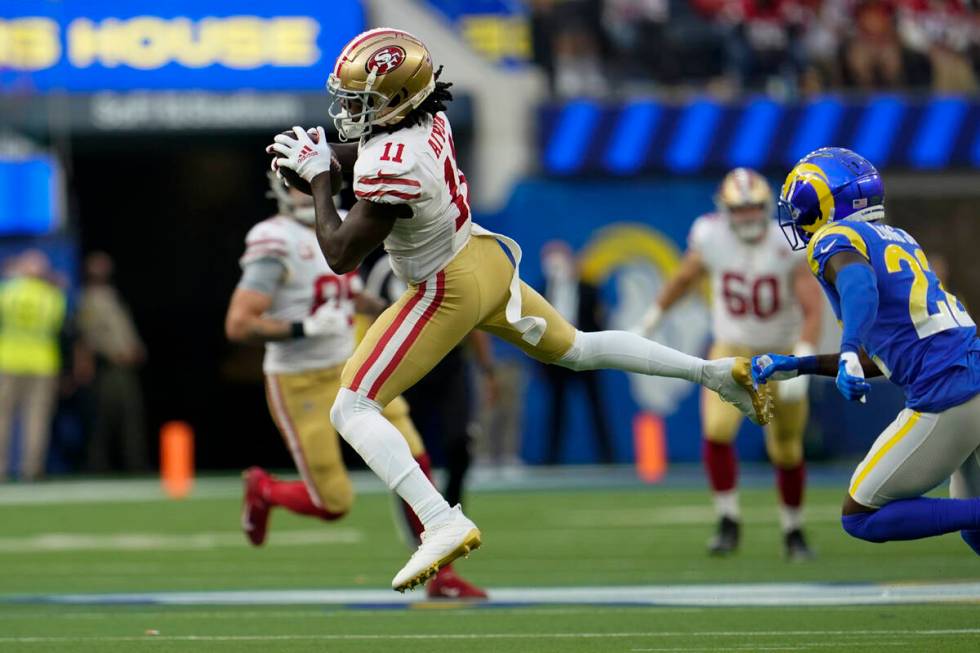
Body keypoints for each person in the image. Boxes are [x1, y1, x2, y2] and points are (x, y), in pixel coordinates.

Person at [266, 27, 771, 592]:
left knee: (352, 406)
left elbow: (339, 252)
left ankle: (439, 521)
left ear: (399, 98)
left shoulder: (393, 164)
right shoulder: (428, 119)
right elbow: (372, 150)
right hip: (482, 259)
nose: (352, 110)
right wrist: (322, 160)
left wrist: (315, 181)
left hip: (443, 288)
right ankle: (716, 374)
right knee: (578, 348)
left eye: (365, 100)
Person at [224, 175, 485, 599]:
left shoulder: (342, 222)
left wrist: (386, 307)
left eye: (313, 183)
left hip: (351, 368)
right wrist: (300, 327)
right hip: (299, 381)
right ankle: (266, 489)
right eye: (297, 185)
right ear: (278, 189)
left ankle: (442, 575)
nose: (308, 194)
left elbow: (349, 292)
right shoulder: (273, 240)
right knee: (333, 502)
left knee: (414, 459)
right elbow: (238, 324)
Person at [752, 146, 980, 553]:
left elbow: (859, 286)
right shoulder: (899, 237)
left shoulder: (834, 238)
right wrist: (802, 365)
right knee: (974, 532)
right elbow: (884, 356)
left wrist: (846, 347)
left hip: (950, 394)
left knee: (861, 515)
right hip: (969, 373)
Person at [635, 168, 823, 560]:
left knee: (787, 448)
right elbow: (685, 277)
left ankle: (793, 529)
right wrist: (652, 318)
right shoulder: (710, 235)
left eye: (754, 207)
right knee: (717, 432)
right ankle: (728, 520)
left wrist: (803, 351)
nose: (748, 216)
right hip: (731, 349)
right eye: (739, 209)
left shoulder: (786, 242)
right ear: (725, 209)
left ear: (767, 206)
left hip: (781, 352)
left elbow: (811, 306)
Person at [363, 251, 499, 508]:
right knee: (408, 448)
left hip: (449, 363)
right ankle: (417, 519)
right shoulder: (385, 269)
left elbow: (474, 320)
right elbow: (373, 325)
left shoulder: (452, 259)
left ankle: (453, 510)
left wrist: (487, 370)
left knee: (460, 440)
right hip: (403, 367)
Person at [540, 241, 613, 464]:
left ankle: (608, 457)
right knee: (556, 409)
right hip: (558, 358)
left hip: (587, 354)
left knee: (596, 407)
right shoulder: (541, 291)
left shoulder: (588, 288)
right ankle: (551, 460)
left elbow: (600, 321)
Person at [77, 252, 148, 473]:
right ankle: (97, 464)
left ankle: (135, 463)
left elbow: (122, 329)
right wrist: (110, 354)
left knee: (130, 415)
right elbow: (89, 334)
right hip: (108, 367)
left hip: (125, 364)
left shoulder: (111, 295)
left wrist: (136, 347)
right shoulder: (88, 298)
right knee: (104, 418)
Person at [0, 250, 67, 481]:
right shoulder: (52, 296)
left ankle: (1, 469)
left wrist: (11, 276)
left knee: (3, 417)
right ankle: (31, 470)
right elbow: (57, 323)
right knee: (36, 418)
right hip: (42, 363)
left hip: (8, 360)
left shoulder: (8, 291)